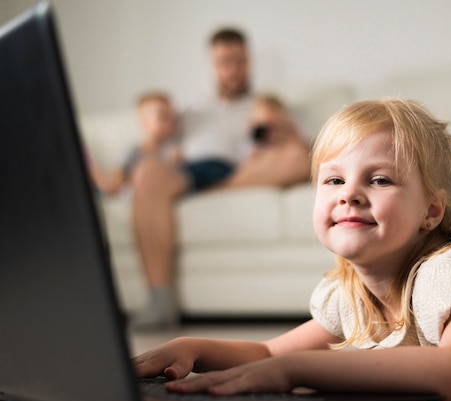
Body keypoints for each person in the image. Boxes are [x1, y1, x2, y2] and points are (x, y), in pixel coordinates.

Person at [133, 98, 451, 401]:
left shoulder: (447, 270)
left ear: (430, 213)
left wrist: (297, 370)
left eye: (380, 179)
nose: (349, 193)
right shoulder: (347, 293)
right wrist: (193, 348)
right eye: (333, 180)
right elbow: (266, 352)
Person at [129, 27, 254, 330]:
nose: (232, 69)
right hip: (191, 171)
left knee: (293, 157)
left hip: (238, 170)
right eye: (224, 62)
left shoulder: (261, 106)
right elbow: (161, 146)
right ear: (212, 65)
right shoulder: (190, 110)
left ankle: (218, 188)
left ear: (248, 61)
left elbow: (297, 154)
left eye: (238, 61)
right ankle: (160, 299)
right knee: (146, 175)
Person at [88, 91, 180, 195]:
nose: (170, 123)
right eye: (163, 117)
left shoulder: (174, 149)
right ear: (143, 121)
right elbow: (118, 176)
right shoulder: (133, 151)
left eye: (173, 117)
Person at [218, 93, 311, 189]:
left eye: (273, 126)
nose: (267, 133)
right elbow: (243, 163)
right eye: (261, 128)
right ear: (252, 123)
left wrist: (293, 138)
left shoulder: (292, 135)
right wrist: (255, 153)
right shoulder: (250, 143)